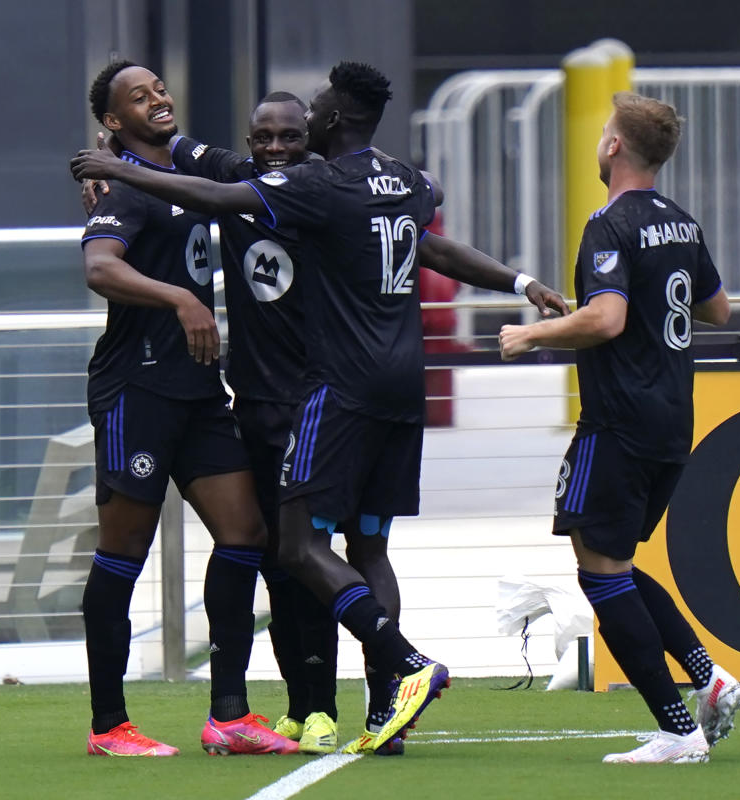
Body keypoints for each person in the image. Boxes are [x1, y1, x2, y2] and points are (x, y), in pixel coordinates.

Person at [73, 60, 569, 755]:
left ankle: (318, 698)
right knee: (236, 546)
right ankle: (130, 720)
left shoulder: (304, 189)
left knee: (283, 544)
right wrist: (118, 169)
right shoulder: (286, 179)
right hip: (186, 390)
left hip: (316, 398)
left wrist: (121, 166)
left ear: (319, 132)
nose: (276, 146)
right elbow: (111, 251)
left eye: (292, 133)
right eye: (140, 93)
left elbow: (417, 228)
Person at [498, 92, 740, 764]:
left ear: (613, 147)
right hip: (671, 416)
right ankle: (708, 676)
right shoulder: (681, 222)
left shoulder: (609, 223)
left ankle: (677, 728)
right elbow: (718, 309)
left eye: (605, 130)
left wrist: (533, 334)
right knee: (616, 566)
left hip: (620, 419)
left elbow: (605, 319)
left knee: (600, 573)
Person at [78, 60, 298, 757]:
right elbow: (99, 267)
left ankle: (228, 715)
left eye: (159, 88)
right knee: (123, 554)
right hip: (136, 392)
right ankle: (109, 725)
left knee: (244, 533)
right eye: (137, 98)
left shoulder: (180, 171)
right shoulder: (126, 190)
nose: (158, 99)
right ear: (114, 122)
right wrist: (179, 298)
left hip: (200, 393)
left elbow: (252, 173)